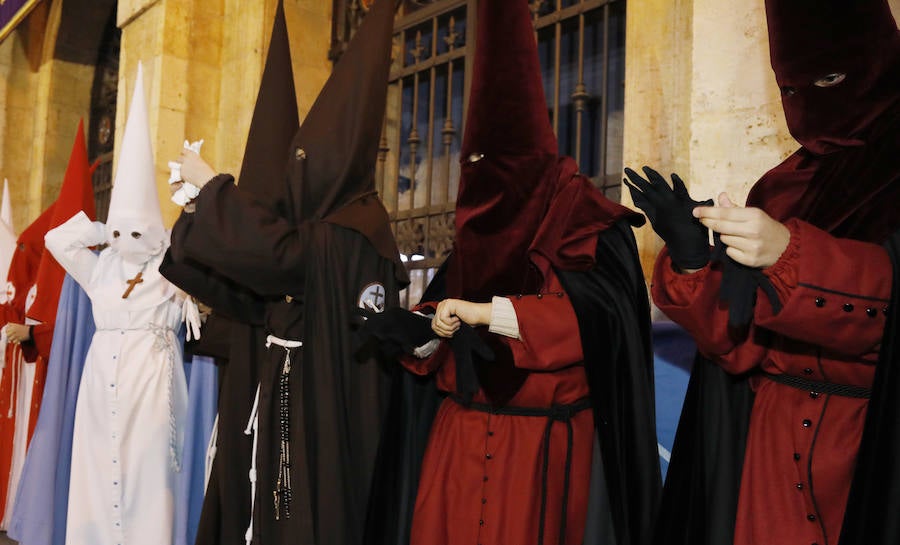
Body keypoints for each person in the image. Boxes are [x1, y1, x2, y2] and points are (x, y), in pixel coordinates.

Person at [362, 1, 659, 544]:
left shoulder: (588, 226)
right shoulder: (484, 229)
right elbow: (452, 305)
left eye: (494, 166)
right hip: (458, 448)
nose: (480, 183)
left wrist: (485, 313)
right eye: (470, 167)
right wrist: (425, 331)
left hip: (543, 456)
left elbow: (594, 321)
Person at [626, 1, 899, 544]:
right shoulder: (781, 187)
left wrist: (790, 254)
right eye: (791, 92)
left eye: (830, 78)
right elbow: (738, 343)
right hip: (766, 448)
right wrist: (692, 260)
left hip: (870, 442)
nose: (808, 107)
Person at [162, 1, 408, 543]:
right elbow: (262, 292)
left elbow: (283, 260)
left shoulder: (355, 230)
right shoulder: (330, 230)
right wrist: (200, 222)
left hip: (324, 410)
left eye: (306, 164)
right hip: (290, 391)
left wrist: (215, 190)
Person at [45, 63, 192, 545]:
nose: (127, 238)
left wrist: (168, 229)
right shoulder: (101, 265)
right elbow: (56, 241)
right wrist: (101, 231)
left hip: (151, 377)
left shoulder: (170, 264)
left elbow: (204, 257)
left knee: (147, 474)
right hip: (101, 373)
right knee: (97, 463)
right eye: (120, 228)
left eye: (136, 229)